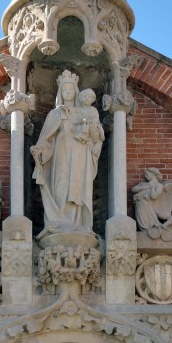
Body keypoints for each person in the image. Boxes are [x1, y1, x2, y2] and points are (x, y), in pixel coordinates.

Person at [31, 71, 104, 237]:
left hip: (80, 154)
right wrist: (39, 148)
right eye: (64, 89)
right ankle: (58, 222)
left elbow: (97, 134)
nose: (68, 92)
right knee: (61, 186)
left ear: (76, 91)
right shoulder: (55, 113)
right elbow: (46, 138)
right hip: (61, 155)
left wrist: (91, 133)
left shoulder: (84, 112)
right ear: (60, 93)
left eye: (71, 88)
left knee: (78, 187)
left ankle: (79, 224)